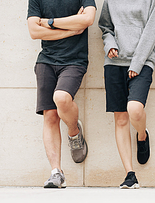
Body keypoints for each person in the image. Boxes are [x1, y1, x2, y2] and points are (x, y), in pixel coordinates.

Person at [27, 0, 96, 188]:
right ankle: (56, 172)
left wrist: (49, 22)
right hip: (46, 60)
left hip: (74, 60)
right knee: (50, 115)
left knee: (62, 97)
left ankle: (74, 132)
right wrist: (71, 29)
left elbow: (88, 19)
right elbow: (34, 31)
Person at [99, 0, 155, 189]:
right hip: (114, 63)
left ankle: (142, 135)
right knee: (120, 118)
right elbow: (105, 27)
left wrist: (136, 63)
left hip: (142, 63)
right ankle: (130, 174)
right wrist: (109, 45)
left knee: (134, 109)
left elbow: (153, 31)